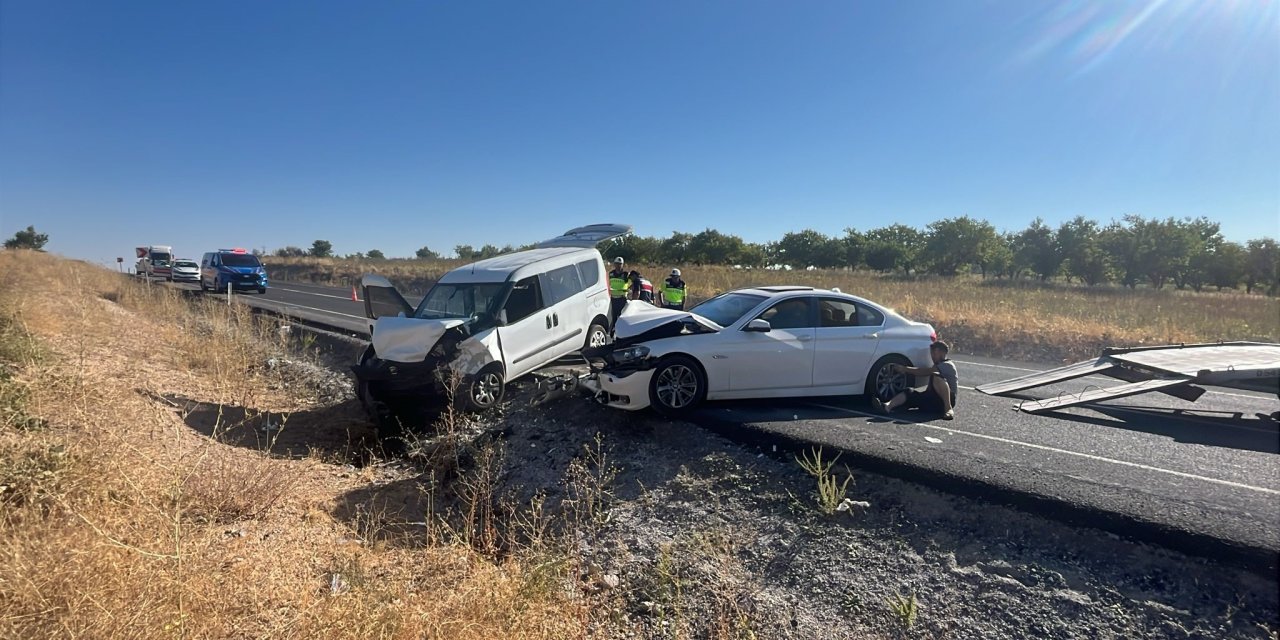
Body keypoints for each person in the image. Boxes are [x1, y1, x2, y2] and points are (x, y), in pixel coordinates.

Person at [871, 340, 958, 420]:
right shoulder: (937, 365)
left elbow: (924, 372)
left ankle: (948, 409)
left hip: (947, 399)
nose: (932, 356)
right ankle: (887, 407)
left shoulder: (948, 365)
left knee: (936, 376)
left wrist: (905, 369)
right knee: (909, 391)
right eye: (932, 353)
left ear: (941, 353)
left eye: (935, 353)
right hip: (933, 400)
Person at [608, 257, 629, 324]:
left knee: (621, 317)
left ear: (622, 265)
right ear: (614, 264)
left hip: (622, 298)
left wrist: (629, 290)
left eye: (620, 264)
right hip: (613, 298)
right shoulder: (610, 274)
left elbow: (633, 283)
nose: (618, 265)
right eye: (617, 264)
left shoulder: (626, 274)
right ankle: (612, 332)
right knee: (614, 317)